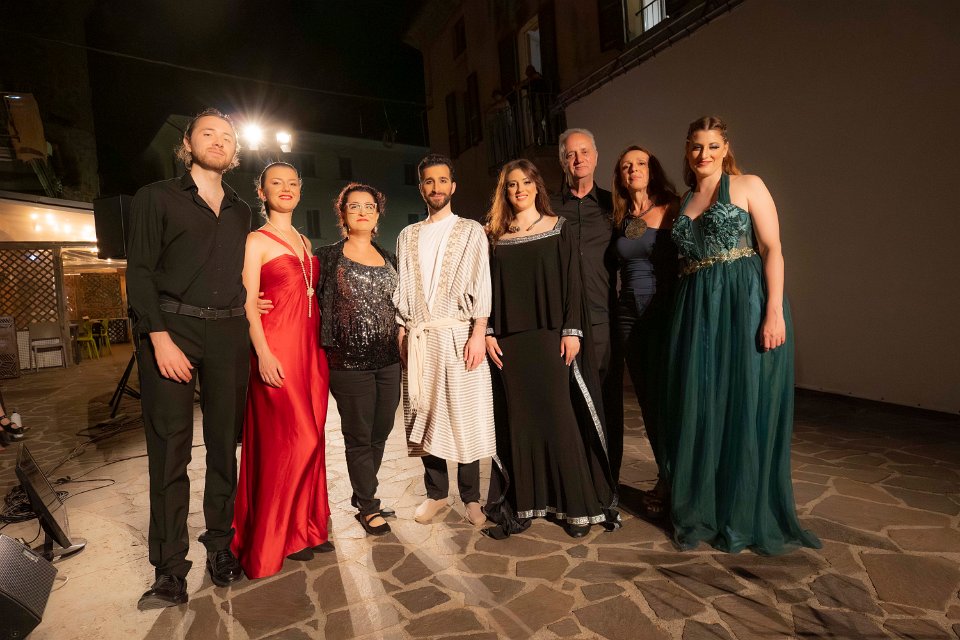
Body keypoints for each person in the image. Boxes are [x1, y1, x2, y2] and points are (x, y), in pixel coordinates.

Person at [663, 116, 821, 555]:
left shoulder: (749, 184)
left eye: (713, 146)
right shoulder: (685, 199)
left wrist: (774, 312)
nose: (704, 154)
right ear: (687, 149)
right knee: (704, 404)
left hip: (743, 301)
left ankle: (746, 510)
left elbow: (772, 248)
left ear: (726, 148)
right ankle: (707, 509)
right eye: (697, 146)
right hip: (696, 308)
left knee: (744, 401)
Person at [127, 108, 249, 609]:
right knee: (169, 450)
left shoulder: (242, 210)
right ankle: (170, 569)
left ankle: (220, 546)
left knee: (223, 447)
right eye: (208, 133)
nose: (218, 141)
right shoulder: (155, 197)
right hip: (171, 328)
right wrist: (159, 337)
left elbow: (240, 272)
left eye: (227, 136)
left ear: (235, 151)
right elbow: (139, 272)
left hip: (229, 333)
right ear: (187, 144)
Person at [483, 159, 619, 539]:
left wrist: (572, 330)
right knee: (520, 421)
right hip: (509, 342)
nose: (520, 190)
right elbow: (485, 287)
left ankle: (577, 507)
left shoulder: (559, 227)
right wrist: (489, 331)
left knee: (560, 417)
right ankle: (527, 503)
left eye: (526, 182)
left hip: (550, 337)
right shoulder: (494, 235)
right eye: (512, 184)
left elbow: (573, 282)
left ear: (537, 186)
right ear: (504, 191)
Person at [230, 162, 332, 579]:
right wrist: (263, 353)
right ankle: (277, 536)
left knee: (313, 439)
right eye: (276, 183)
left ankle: (306, 528)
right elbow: (247, 302)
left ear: (300, 191)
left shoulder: (304, 240)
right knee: (294, 440)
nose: (286, 189)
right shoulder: (255, 240)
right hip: (277, 349)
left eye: (292, 183)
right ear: (262, 191)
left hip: (310, 352)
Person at [394, 154, 495, 527]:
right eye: (428, 181)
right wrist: (402, 331)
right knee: (425, 413)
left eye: (442, 180)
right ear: (421, 188)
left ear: (453, 186)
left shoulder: (471, 231)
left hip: (459, 332)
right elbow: (403, 286)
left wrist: (479, 332)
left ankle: (471, 497)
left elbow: (482, 281)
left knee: (465, 415)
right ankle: (436, 493)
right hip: (420, 337)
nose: (435, 187)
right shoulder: (407, 235)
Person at [317, 183, 401, 536]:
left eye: (369, 206)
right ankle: (368, 505)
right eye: (354, 206)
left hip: (389, 359)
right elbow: (302, 294)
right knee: (359, 436)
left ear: (378, 213)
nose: (363, 212)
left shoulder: (390, 257)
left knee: (381, 431)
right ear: (343, 213)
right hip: (348, 362)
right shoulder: (327, 257)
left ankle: (362, 492)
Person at [551, 129, 625, 484]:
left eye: (584, 152)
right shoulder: (548, 208)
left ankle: (608, 485)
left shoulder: (615, 206)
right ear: (562, 161)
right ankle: (576, 487)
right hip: (560, 324)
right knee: (568, 407)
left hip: (603, 321)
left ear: (595, 157)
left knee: (607, 406)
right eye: (570, 154)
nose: (578, 159)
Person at [611, 145, 680, 517]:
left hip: (663, 313)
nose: (633, 169)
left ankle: (682, 478)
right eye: (626, 166)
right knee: (649, 402)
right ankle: (665, 476)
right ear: (620, 177)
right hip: (628, 317)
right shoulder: (624, 217)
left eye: (640, 163)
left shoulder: (672, 207)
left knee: (672, 399)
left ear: (652, 169)